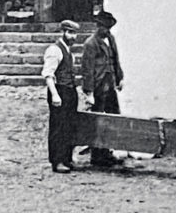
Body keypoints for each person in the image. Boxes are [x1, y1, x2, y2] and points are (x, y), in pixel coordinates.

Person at [81, 9, 123, 166]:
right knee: (97, 121)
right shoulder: (90, 44)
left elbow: (115, 59)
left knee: (113, 117)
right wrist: (89, 92)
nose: (106, 30)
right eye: (104, 27)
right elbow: (87, 70)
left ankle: (107, 151)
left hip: (110, 85)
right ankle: (97, 156)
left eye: (108, 28)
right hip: (98, 88)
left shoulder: (110, 39)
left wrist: (119, 78)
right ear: (97, 26)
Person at [41, 19, 80, 173]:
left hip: (70, 91)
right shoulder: (54, 50)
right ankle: (57, 161)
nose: (73, 37)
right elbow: (48, 75)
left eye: (75, 33)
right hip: (60, 91)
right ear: (62, 32)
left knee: (69, 126)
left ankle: (66, 158)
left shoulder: (69, 51)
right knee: (58, 127)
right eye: (70, 33)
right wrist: (55, 95)